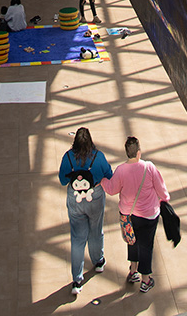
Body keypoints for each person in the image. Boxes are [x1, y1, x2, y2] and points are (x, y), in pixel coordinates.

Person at [102, 136, 170, 292]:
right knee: (146, 245)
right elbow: (161, 189)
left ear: (127, 152)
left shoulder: (120, 170)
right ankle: (145, 280)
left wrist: (103, 181)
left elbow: (112, 189)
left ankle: (133, 271)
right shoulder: (149, 167)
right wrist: (165, 200)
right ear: (139, 152)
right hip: (149, 215)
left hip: (128, 215)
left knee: (132, 240)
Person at [58, 126, 112, 297]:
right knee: (96, 231)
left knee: (77, 238)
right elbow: (109, 174)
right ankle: (98, 261)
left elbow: (61, 180)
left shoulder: (68, 158)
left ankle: (77, 280)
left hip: (75, 199)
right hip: (95, 197)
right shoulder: (99, 157)